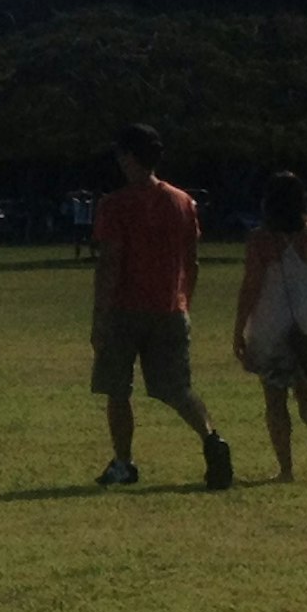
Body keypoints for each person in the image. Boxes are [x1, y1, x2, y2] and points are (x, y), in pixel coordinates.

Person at [93, 122, 237, 490]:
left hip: (126, 309)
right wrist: (184, 300)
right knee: (178, 388)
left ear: (128, 158)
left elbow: (110, 263)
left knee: (117, 389)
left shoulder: (115, 205)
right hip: (171, 308)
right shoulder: (183, 202)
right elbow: (193, 261)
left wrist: (100, 318)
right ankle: (211, 438)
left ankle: (124, 462)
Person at [233, 171, 307, 483]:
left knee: (275, 398)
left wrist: (239, 328)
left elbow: (251, 287)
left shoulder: (260, 239)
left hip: (271, 321)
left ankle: (286, 469)